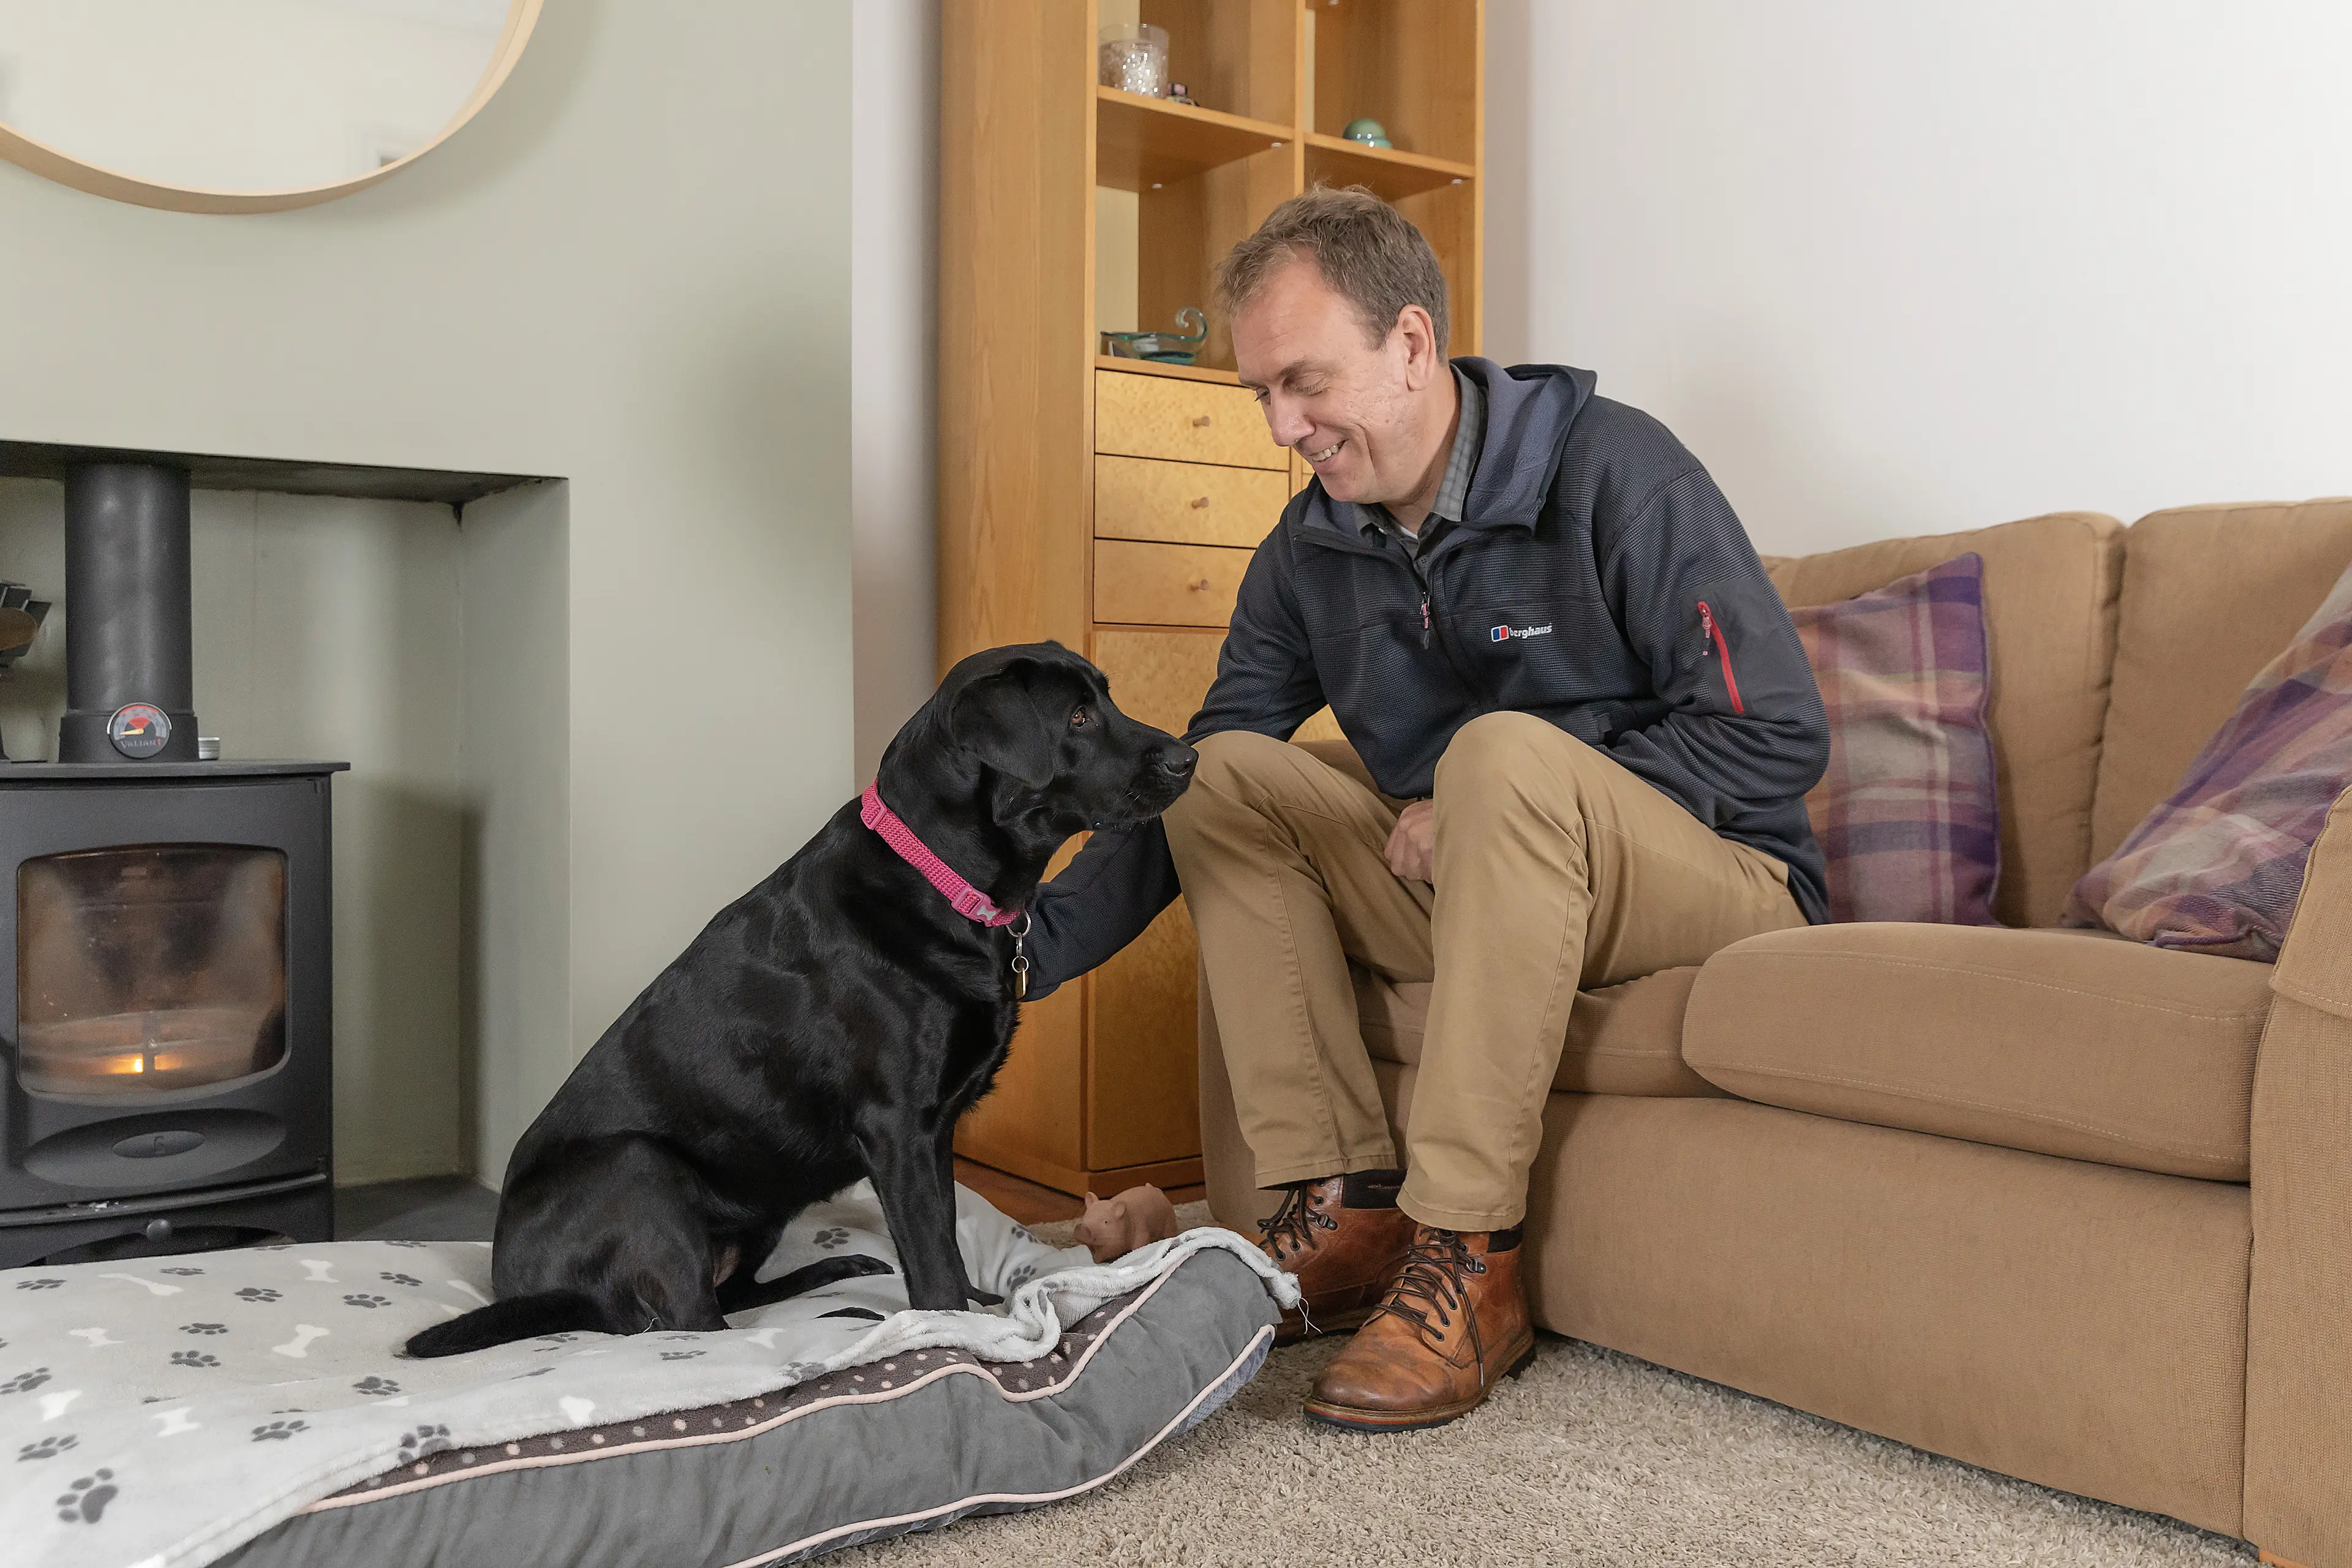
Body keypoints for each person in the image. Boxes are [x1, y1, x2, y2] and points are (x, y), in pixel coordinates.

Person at [1024, 186, 1830, 1431]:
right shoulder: (1310, 548)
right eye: (1262, 396)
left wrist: (1514, 789)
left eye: (1306, 382)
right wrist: (1011, 948)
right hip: (1483, 891)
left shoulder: (1619, 467)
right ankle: (1340, 1213)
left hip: (1712, 883)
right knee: (1228, 772)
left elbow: (1776, 730)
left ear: (1409, 343)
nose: (1284, 427)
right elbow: (1202, 771)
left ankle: (1466, 1257)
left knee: (1500, 755)